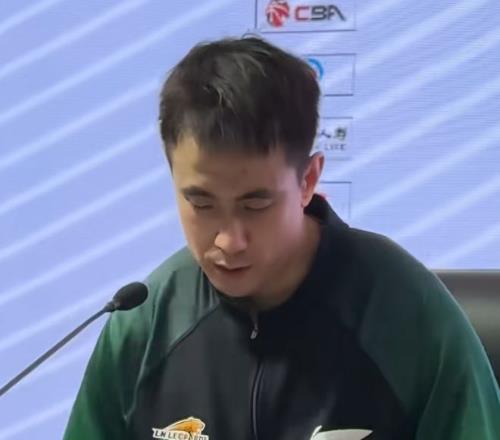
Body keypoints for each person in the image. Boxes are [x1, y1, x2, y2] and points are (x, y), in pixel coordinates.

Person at [63, 36, 500, 440]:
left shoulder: (408, 314)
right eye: (201, 204)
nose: (228, 241)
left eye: (255, 204)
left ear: (308, 180)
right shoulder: (145, 323)